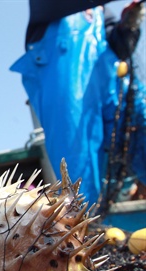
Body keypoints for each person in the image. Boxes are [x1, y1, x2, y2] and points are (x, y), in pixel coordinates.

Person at [11, 0, 146, 208]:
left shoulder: (102, 11)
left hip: (114, 90)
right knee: (78, 168)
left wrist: (129, 26)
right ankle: (88, 226)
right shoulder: (50, 8)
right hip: (70, 90)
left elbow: (119, 46)